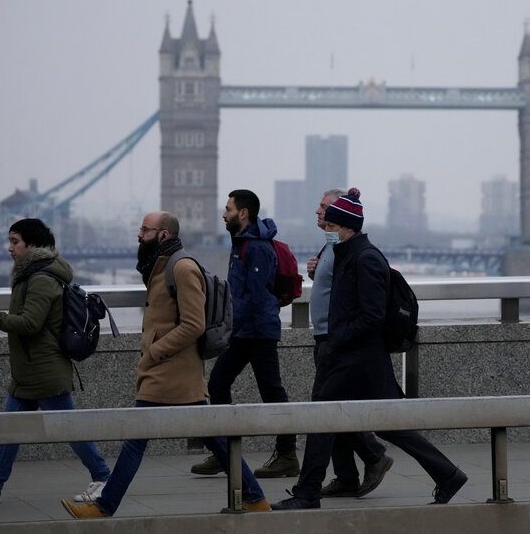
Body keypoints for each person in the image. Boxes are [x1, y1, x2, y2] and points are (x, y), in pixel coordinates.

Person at [62, 211, 269, 518]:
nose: (138, 234)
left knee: (136, 441)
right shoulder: (160, 266)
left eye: (145, 229)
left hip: (170, 372)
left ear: (163, 235)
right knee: (214, 438)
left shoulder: (182, 268)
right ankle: (254, 497)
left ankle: (104, 506)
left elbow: (194, 324)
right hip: (171, 371)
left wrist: (155, 350)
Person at [272, 189, 467, 510]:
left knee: (321, 418)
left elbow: (372, 316)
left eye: (332, 228)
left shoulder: (366, 258)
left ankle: (307, 493)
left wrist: (337, 339)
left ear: (346, 228)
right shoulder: (349, 254)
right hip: (355, 357)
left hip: (356, 358)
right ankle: (447, 474)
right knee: (388, 425)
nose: (328, 233)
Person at [0, 218, 111, 504]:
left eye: (15, 241)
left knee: (70, 428)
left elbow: (30, 323)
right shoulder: (31, 274)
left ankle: (103, 477)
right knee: (11, 430)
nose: (9, 248)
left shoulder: (41, 278)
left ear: (31, 245)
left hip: (45, 371)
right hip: (28, 370)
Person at [192, 190, 298, 479]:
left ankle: (288, 454)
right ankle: (224, 452)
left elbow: (254, 295)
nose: (223, 214)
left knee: (272, 391)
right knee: (218, 382)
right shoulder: (241, 243)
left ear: (243, 213)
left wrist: (229, 326)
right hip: (244, 331)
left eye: (227, 209)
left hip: (258, 331)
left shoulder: (257, 248)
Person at [306, 189, 391, 499]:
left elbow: (369, 311)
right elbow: (333, 285)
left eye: (325, 208)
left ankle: (372, 456)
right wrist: (314, 273)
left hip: (337, 340)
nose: (319, 213)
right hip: (328, 337)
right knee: (332, 408)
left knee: (326, 409)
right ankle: (346, 475)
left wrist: (338, 338)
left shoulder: (356, 251)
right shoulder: (332, 245)